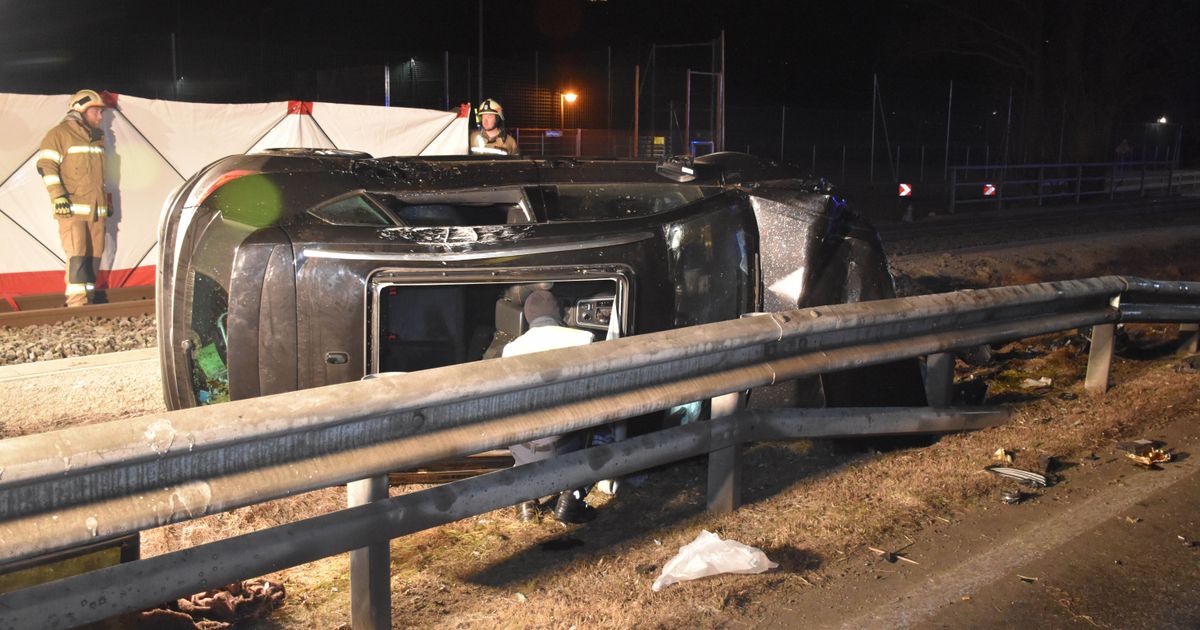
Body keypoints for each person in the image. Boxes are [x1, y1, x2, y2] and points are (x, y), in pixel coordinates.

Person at [502, 289, 596, 522]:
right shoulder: (584, 338)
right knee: (601, 428)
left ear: (528, 317)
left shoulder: (511, 349)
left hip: (525, 445)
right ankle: (571, 498)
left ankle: (526, 502)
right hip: (567, 440)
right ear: (560, 311)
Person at [36, 89, 110, 307]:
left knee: (94, 257)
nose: (100, 116)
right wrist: (58, 196)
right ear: (80, 110)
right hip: (72, 210)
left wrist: (107, 203)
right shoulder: (59, 134)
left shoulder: (98, 138)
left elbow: (100, 177)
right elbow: (46, 166)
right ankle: (77, 304)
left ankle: (90, 299)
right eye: (96, 111)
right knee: (77, 256)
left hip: (97, 210)